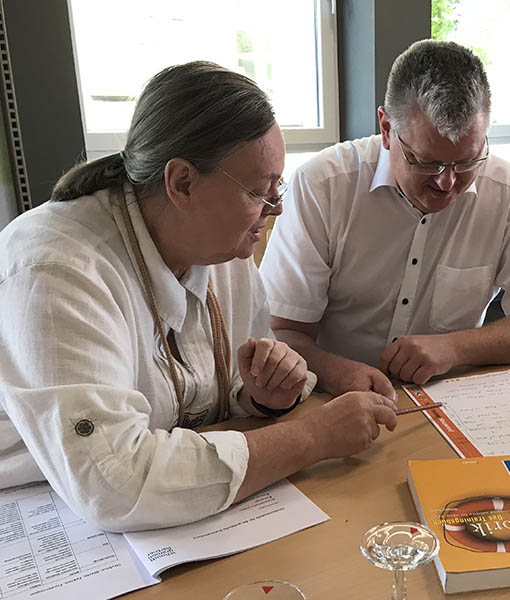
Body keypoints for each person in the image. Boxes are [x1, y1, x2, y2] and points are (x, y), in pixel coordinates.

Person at [0, 62, 398, 532]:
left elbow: (205, 393)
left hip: (173, 497)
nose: (276, 209)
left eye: (277, 186)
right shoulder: (56, 269)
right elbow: (115, 482)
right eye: (258, 191)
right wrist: (311, 437)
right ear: (182, 182)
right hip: (49, 508)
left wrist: (260, 395)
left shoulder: (221, 247)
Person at [259, 40, 510, 399]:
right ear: (385, 129)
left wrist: (455, 348)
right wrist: (338, 374)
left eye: (467, 162)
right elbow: (281, 331)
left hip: (449, 398)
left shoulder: (507, 189)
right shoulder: (324, 185)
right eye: (426, 162)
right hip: (334, 399)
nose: (447, 182)